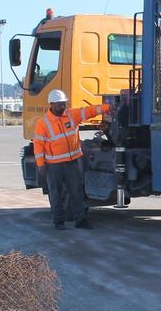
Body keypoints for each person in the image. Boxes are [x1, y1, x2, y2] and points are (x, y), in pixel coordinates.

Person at [32, 89, 110, 230]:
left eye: (64, 104)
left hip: (73, 162)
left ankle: (80, 221)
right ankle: (58, 222)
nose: (63, 107)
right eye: (60, 104)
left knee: (76, 192)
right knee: (55, 193)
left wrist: (107, 107)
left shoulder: (71, 115)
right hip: (53, 165)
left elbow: (89, 111)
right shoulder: (42, 123)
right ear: (52, 104)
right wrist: (41, 165)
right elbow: (38, 146)